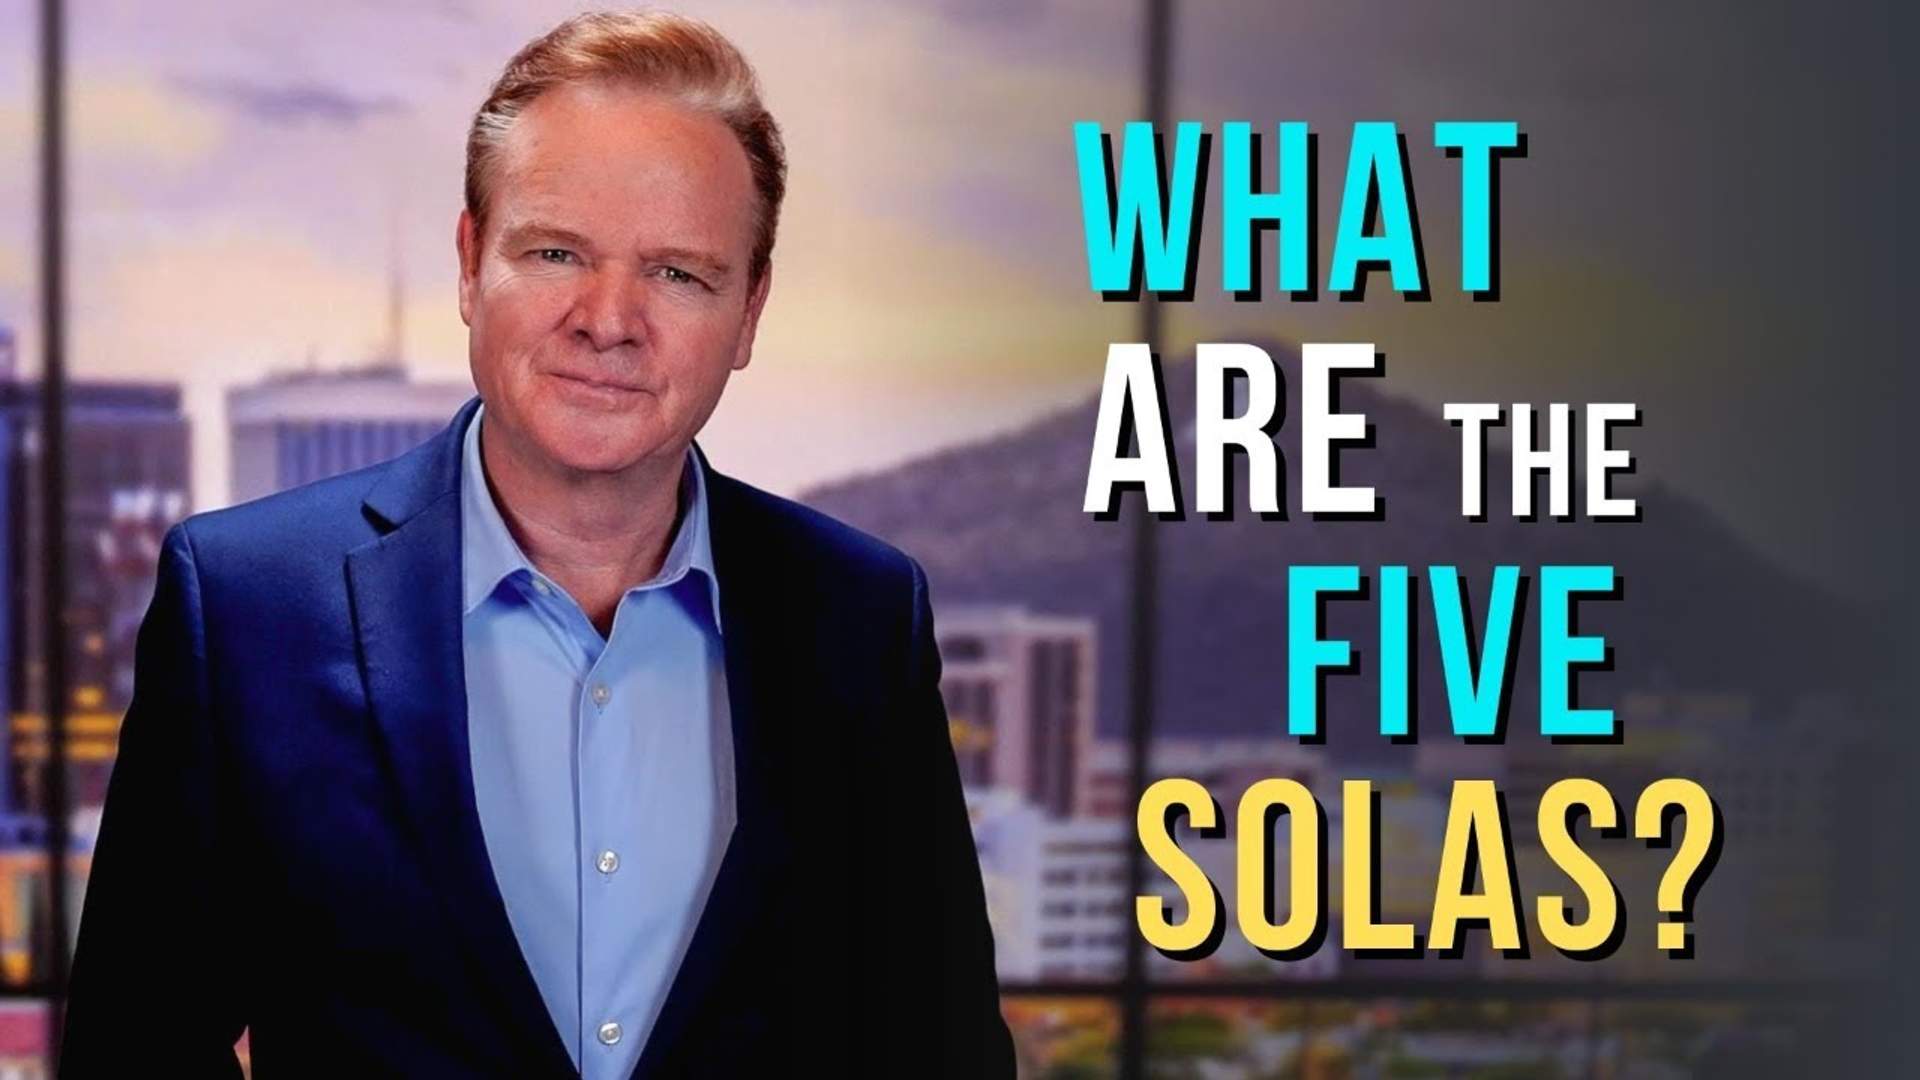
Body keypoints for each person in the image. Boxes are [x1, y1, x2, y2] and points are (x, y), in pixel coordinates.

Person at [59, 10, 1015, 1078]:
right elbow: (130, 1048)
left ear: (749, 313)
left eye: (680, 274)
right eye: (556, 252)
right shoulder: (244, 606)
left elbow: (945, 1053)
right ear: (471, 266)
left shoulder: (862, 620)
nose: (608, 319)